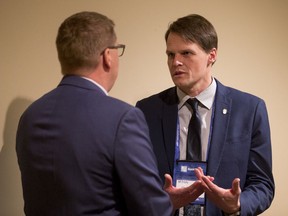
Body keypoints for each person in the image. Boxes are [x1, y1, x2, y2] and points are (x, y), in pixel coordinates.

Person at [16, 11, 205, 216]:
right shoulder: (123, 118)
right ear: (108, 56)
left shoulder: (30, 116)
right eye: (118, 49)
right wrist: (165, 202)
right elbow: (152, 210)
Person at [136, 14, 275, 216]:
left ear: (212, 55)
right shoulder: (147, 110)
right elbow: (136, 181)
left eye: (186, 53)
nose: (176, 62)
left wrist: (237, 205)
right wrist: (161, 202)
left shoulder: (250, 109)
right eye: (170, 54)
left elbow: (263, 184)